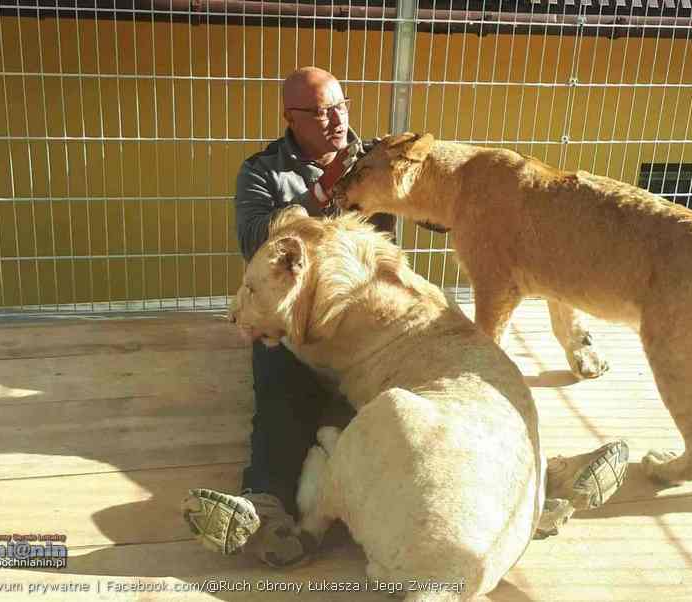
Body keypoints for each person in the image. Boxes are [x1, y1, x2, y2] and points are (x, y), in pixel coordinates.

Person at [181, 67, 628, 568]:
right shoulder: (263, 171)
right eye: (320, 112)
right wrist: (320, 196)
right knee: (285, 396)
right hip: (298, 321)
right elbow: (253, 242)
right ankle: (265, 507)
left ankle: (540, 478)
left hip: (382, 316)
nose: (335, 120)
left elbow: (444, 203)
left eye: (341, 105)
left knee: (459, 388)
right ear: (290, 118)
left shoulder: (374, 156)